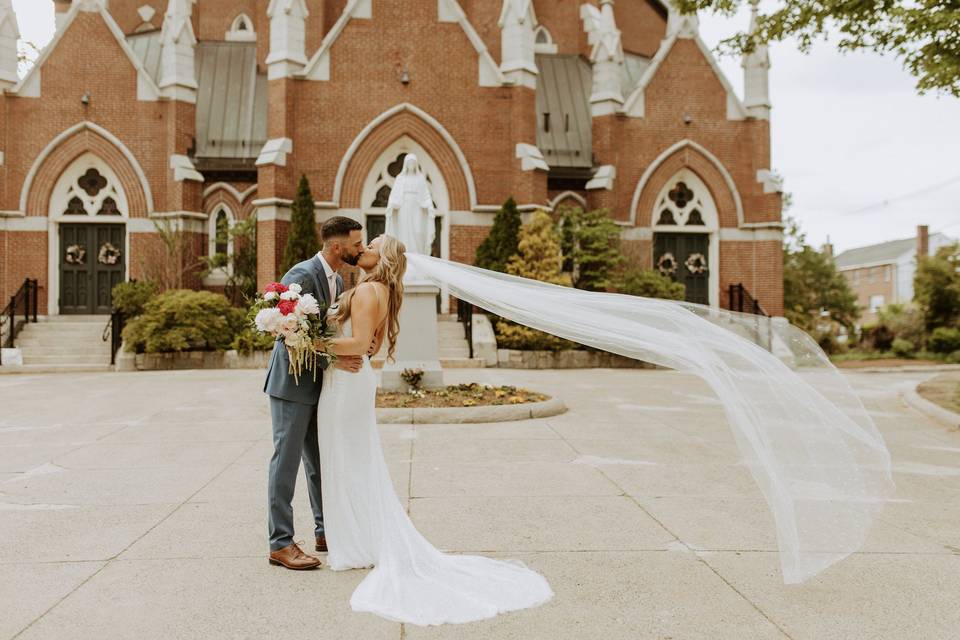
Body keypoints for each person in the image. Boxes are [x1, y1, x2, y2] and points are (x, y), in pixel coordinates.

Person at [315, 234, 554, 624]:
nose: (364, 248)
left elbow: (359, 344)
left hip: (345, 385)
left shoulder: (366, 292)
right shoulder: (384, 293)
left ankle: (356, 542)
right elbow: (371, 346)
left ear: (384, 256)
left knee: (345, 460)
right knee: (356, 460)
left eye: (372, 243)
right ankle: (358, 537)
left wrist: (312, 343)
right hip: (355, 383)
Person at [263, 217, 365, 570]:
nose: (360, 249)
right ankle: (280, 542)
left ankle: (326, 531)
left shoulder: (336, 278)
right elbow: (288, 334)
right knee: (286, 463)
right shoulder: (302, 275)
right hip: (291, 386)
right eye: (356, 244)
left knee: (320, 462)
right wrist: (335, 356)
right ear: (337, 247)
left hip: (316, 385)